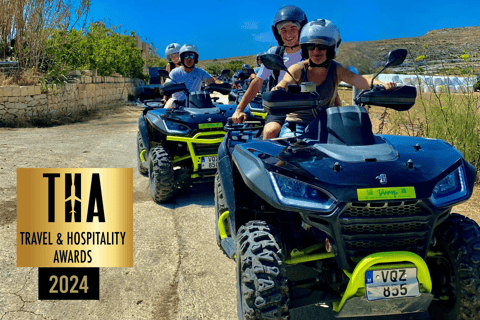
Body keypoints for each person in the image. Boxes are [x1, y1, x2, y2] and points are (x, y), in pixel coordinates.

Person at [272, 19, 396, 138]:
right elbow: (285, 81)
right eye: (311, 46)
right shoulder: (298, 69)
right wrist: (279, 88)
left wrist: (379, 83)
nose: (316, 51)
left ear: (331, 48)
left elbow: (358, 79)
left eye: (322, 46)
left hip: (326, 125)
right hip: (297, 126)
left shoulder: (336, 70)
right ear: (305, 49)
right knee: (291, 155)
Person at [232, 6, 341, 139]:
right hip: (280, 107)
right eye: (283, 30)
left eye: (293, 29)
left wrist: (339, 112)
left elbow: (330, 84)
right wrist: (239, 109)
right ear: (277, 33)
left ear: (302, 29)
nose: (288, 34)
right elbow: (257, 82)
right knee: (271, 131)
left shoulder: (312, 52)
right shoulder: (275, 53)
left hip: (309, 107)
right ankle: (270, 159)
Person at [164, 44, 221, 109]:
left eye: (192, 56)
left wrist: (219, 84)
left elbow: (211, 80)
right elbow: (167, 84)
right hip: (177, 103)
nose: (189, 59)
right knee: (164, 112)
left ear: (195, 58)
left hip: (195, 103)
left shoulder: (199, 72)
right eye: (186, 56)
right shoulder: (175, 72)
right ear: (182, 58)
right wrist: (168, 87)